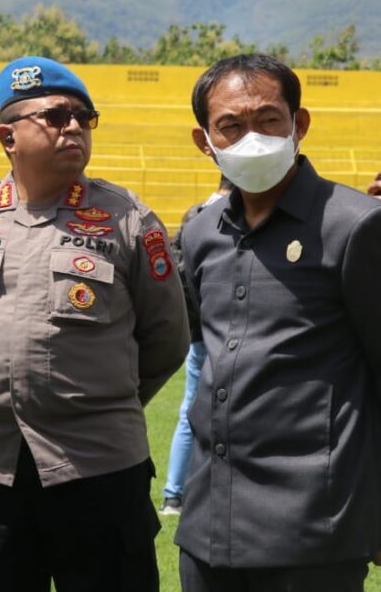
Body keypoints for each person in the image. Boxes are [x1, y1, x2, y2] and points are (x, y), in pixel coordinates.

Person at [0, 56, 189, 591]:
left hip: (96, 464)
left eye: (84, 118)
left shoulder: (127, 217)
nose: (74, 127)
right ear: (7, 136)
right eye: (57, 116)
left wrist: (99, 399)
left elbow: (166, 337)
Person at [176, 54, 381, 591]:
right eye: (231, 126)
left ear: (299, 124)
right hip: (207, 527)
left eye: (268, 120)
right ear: (205, 142)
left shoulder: (356, 226)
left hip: (314, 529)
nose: (253, 138)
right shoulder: (200, 235)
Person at [159, 177, 233, 517]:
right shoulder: (235, 215)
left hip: (198, 331)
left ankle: (174, 494)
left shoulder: (194, 214)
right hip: (228, 330)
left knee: (190, 411)